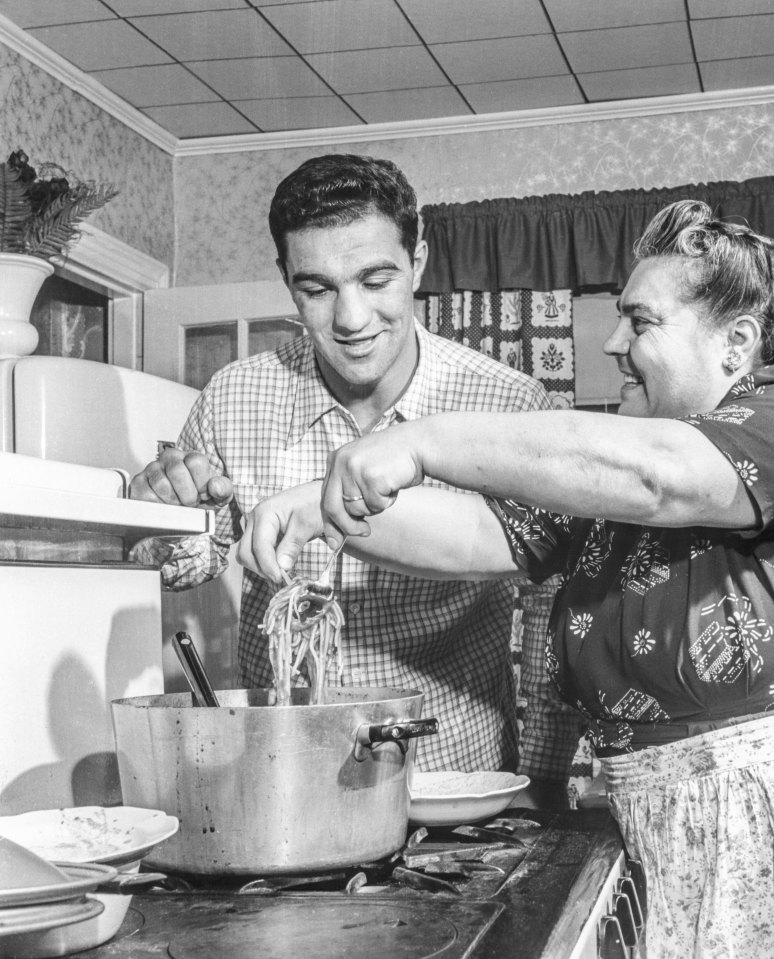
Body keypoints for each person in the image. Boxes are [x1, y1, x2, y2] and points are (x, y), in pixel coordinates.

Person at [238, 199, 774, 958]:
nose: (613, 342)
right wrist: (322, 506)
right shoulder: (624, 471)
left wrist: (420, 442)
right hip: (674, 836)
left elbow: (662, 477)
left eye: (640, 322)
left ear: (737, 342)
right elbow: (486, 533)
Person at [129, 153, 585, 801]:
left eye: (375, 280)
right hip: (284, 768)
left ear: (418, 261)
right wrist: (157, 519)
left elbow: (553, 608)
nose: (350, 318)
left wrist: (540, 775)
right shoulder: (234, 396)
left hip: (452, 770)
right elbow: (188, 559)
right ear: (287, 281)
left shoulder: (506, 402)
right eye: (317, 288)